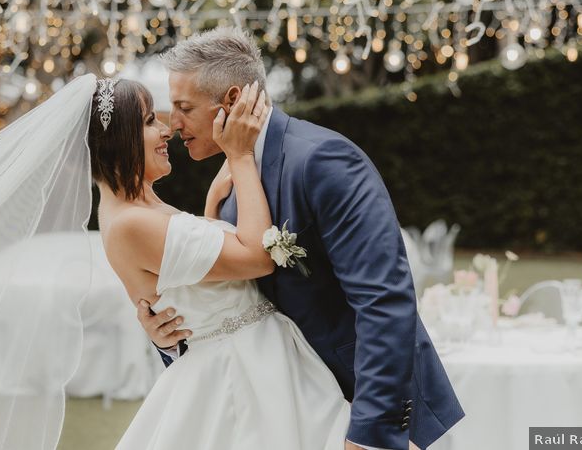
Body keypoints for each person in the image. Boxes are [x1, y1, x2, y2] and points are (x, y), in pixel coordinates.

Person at [135, 26, 465, 450]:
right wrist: (171, 332)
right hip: (291, 410)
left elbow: (384, 299)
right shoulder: (234, 179)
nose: (172, 122)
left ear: (232, 101)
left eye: (183, 107)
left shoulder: (324, 160)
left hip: (366, 411)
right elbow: (238, 302)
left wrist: (371, 434)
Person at [91, 77, 350, 449]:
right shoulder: (131, 222)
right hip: (245, 377)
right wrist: (241, 157)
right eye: (150, 121)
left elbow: (197, 274)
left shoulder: (136, 208)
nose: (166, 130)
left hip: (261, 363)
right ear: (117, 138)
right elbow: (257, 258)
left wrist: (211, 209)